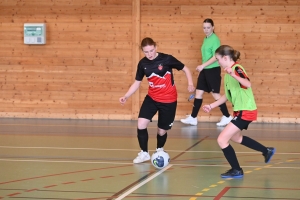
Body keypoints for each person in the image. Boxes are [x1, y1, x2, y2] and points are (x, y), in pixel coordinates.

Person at [202, 45, 276, 178]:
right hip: (240, 111)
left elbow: (247, 84)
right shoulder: (227, 75)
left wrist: (234, 74)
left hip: (246, 110)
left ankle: (236, 169)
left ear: (225, 58)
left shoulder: (237, 69)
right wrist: (211, 106)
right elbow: (227, 96)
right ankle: (266, 150)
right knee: (236, 137)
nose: (217, 62)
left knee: (222, 140)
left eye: (218, 59)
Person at [119, 37, 195, 164]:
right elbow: (137, 83)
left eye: (151, 50)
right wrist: (126, 96)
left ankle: (159, 149)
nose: (149, 54)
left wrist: (190, 83)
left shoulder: (167, 59)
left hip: (169, 100)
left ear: (156, 47)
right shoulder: (142, 64)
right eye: (146, 52)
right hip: (152, 98)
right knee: (141, 124)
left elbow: (185, 69)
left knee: (161, 130)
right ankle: (144, 153)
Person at [181, 18, 232, 126]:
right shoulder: (206, 39)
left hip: (213, 70)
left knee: (215, 94)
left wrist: (203, 66)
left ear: (213, 27)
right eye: (204, 28)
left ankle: (227, 116)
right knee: (199, 92)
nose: (206, 30)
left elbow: (216, 56)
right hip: (205, 70)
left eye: (208, 27)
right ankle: (193, 118)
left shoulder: (215, 39)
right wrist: (203, 69)